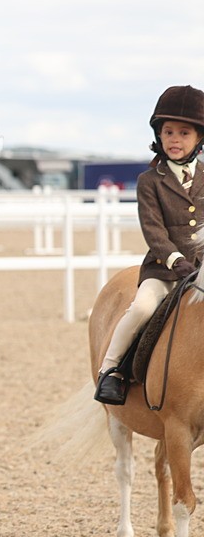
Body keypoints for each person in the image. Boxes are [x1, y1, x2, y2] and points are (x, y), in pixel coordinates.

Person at [95, 85, 204, 404]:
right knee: (141, 308)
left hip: (201, 270)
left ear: (198, 139)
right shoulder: (150, 181)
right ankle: (111, 371)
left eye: (184, 133)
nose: (175, 139)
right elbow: (153, 230)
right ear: (159, 135)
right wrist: (175, 261)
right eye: (168, 132)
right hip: (165, 270)